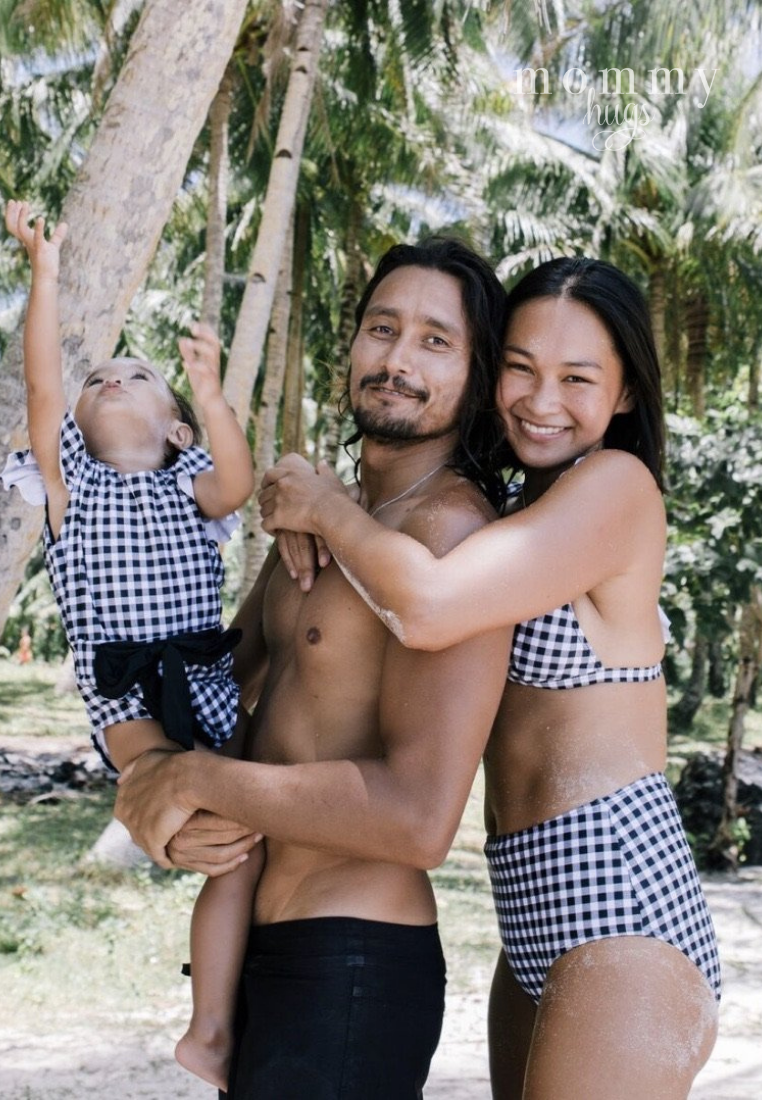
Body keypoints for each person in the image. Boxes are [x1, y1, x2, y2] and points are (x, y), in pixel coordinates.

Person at [256, 256, 722, 1099]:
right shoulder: (513, 506)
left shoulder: (614, 487)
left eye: (578, 378)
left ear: (623, 395)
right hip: (530, 900)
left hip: (618, 896)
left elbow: (427, 607)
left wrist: (324, 507)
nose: (542, 402)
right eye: (520, 368)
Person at [114, 238, 513, 1098]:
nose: (398, 359)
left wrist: (195, 778)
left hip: (353, 964)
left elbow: (418, 822)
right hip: (263, 948)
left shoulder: (447, 538)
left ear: (477, 380)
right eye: (382, 328)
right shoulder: (322, 520)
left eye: (436, 341)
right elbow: (216, 688)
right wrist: (149, 777)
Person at [1, 200, 259, 1091]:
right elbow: (42, 389)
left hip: (209, 687)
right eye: (100, 377)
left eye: (139, 376)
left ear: (178, 428)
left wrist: (215, 393)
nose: (113, 378)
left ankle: (212, 1027)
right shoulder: (71, 491)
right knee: (197, 804)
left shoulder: (194, 482)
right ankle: (148, 822)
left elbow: (239, 481)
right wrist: (45, 270)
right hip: (126, 702)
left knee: (240, 843)